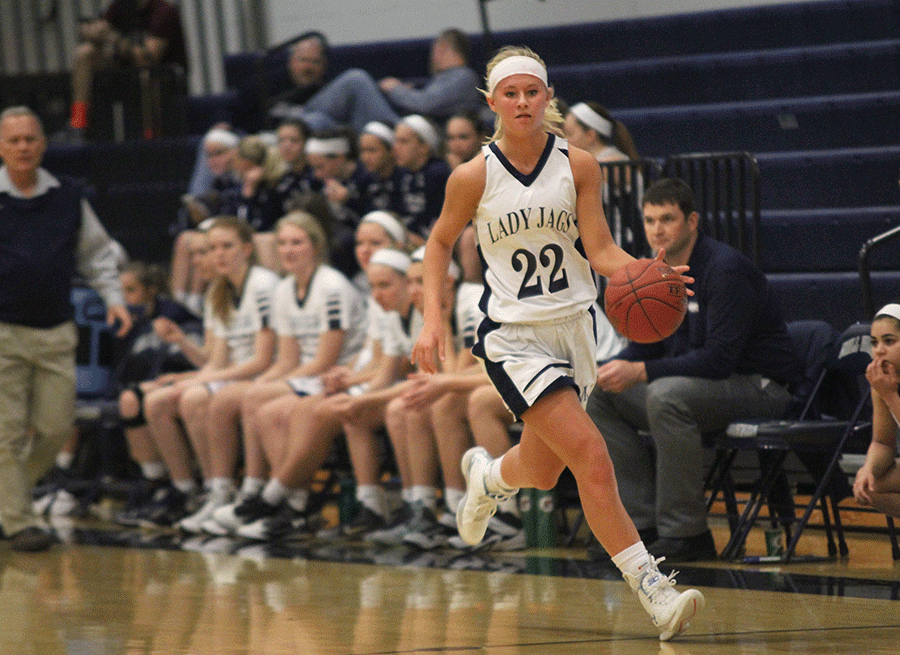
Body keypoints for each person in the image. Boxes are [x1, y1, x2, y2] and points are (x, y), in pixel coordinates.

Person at [410, 48, 705, 641]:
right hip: (512, 337)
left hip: (575, 330)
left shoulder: (580, 165)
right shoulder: (472, 175)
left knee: (544, 471)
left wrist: (645, 272)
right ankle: (653, 588)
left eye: (532, 92)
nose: (522, 102)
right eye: (510, 93)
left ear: (548, 98)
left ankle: (490, 478)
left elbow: (598, 248)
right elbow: (440, 244)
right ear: (492, 102)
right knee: (593, 454)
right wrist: (431, 321)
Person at [587, 177, 802, 564]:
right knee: (602, 394)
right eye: (650, 220)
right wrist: (611, 369)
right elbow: (646, 346)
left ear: (692, 222)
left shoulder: (724, 269)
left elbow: (719, 360)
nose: (657, 230)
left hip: (761, 386)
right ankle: (638, 526)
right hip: (702, 387)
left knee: (666, 395)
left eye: (667, 219)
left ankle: (688, 533)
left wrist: (641, 371)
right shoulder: (654, 273)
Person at [177, 211, 366, 534]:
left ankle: (263, 495)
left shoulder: (331, 286)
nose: (288, 250)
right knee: (258, 398)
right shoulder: (285, 289)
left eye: (297, 242)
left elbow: (322, 361)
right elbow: (288, 358)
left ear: (315, 246)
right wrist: (268, 381)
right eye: (282, 243)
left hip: (336, 374)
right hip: (307, 374)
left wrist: (271, 382)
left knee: (255, 398)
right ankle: (278, 499)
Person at [0, 106, 132, 551]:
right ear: (1, 147)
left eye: (30, 139)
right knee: (6, 432)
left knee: (56, 427)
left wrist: (114, 299)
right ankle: (18, 522)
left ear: (43, 144)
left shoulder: (68, 195)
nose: (23, 147)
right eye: (14, 140)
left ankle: (7, 499)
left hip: (56, 330)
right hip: (3, 333)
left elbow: (96, 255)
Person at [135, 216, 279, 528]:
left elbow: (262, 361)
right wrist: (182, 343)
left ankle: (222, 490)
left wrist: (199, 380)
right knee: (157, 402)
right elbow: (215, 360)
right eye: (213, 248)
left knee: (192, 397)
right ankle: (190, 490)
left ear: (247, 248)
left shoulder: (264, 285)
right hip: (234, 376)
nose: (219, 255)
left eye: (227, 246)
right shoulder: (219, 290)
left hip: (262, 376)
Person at [297, 28, 481, 135]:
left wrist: (395, 88)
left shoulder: (464, 76)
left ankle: (298, 119)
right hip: (407, 127)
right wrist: (408, 90)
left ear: (441, 48)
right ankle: (301, 124)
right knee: (321, 121)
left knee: (357, 80)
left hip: (416, 134)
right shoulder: (449, 78)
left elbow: (425, 104)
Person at [65, 0, 188, 140]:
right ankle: (78, 122)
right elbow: (98, 29)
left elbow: (148, 58)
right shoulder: (120, 7)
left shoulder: (164, 12)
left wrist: (115, 40)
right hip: (125, 77)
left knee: (145, 73)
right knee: (85, 53)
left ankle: (150, 137)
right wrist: (93, 31)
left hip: (160, 84)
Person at [853, 304, 900, 517]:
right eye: (874, 342)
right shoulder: (881, 381)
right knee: (870, 487)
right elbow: (883, 442)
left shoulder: (885, 388)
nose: (879, 349)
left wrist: (891, 396)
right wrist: (868, 469)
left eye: (889, 341)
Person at [393, 115, 451, 241]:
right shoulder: (400, 173)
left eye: (403, 141)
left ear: (424, 147)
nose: (395, 147)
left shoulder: (438, 173)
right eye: (395, 141)